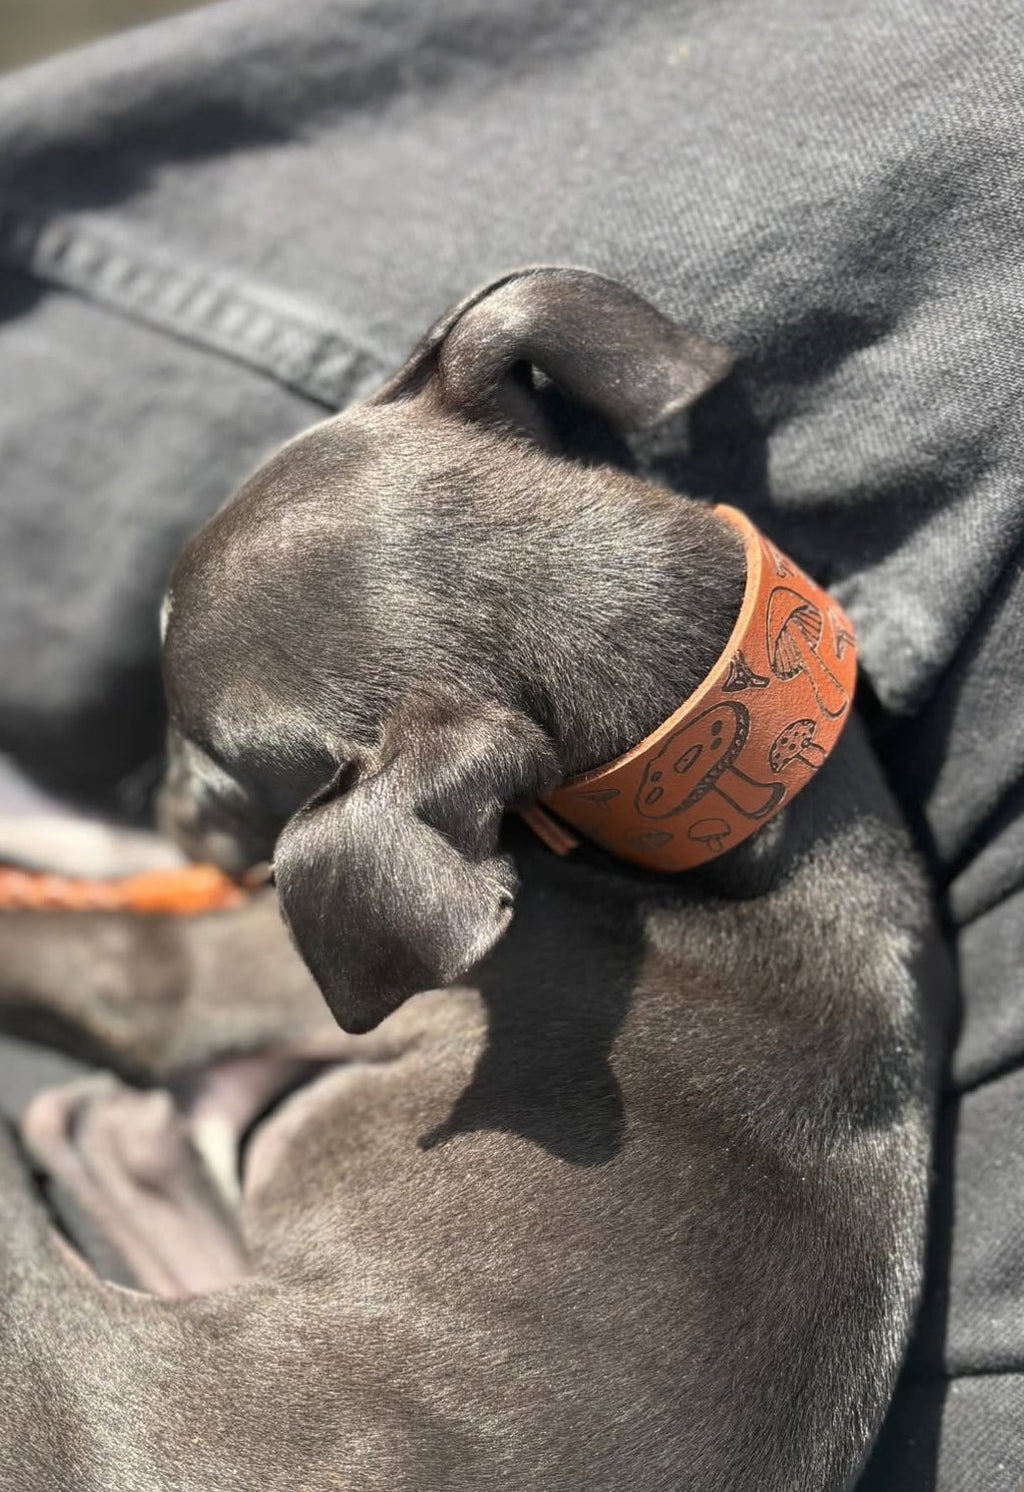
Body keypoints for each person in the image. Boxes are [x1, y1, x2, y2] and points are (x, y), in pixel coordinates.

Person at [0, 1, 1022, 1484]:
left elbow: (163, 976)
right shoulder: (842, 914)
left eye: (229, 781)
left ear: (429, 818)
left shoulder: (503, 865)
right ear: (516, 362)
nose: (193, 810)